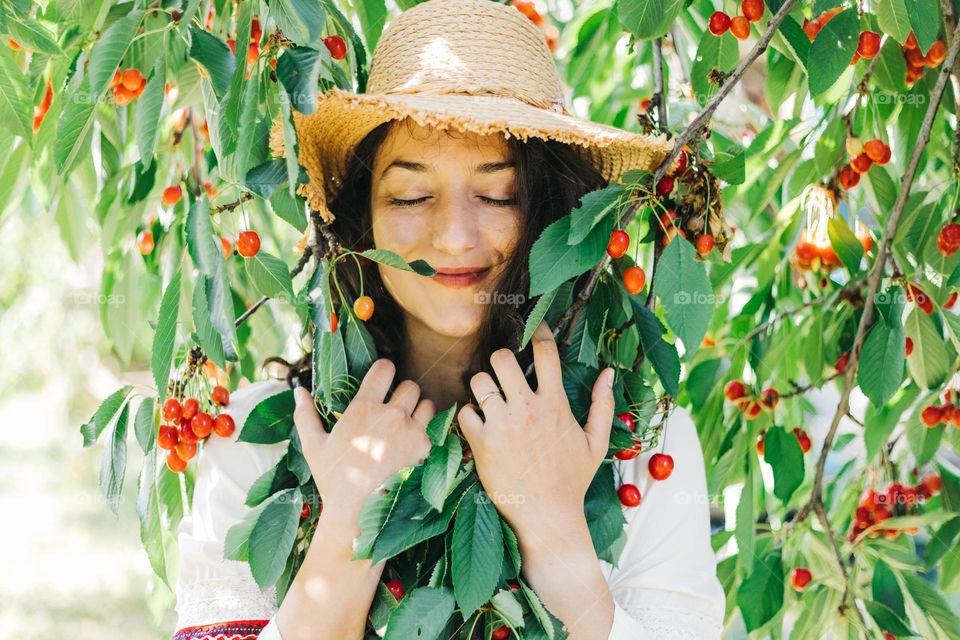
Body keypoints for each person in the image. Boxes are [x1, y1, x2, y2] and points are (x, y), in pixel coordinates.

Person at [172, 1, 725, 638]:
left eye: (497, 195)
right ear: (362, 219)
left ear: (549, 212)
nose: (456, 237)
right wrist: (350, 522)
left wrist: (553, 531)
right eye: (410, 195)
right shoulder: (257, 436)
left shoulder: (637, 444)